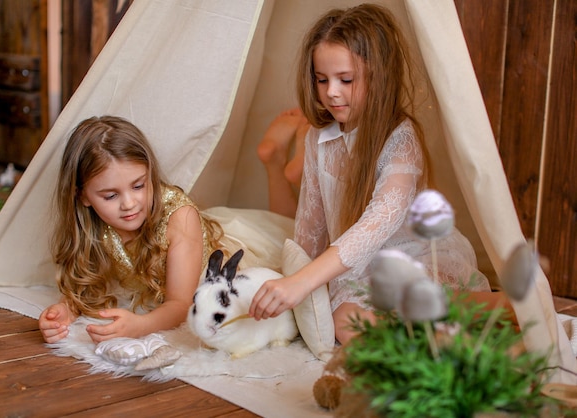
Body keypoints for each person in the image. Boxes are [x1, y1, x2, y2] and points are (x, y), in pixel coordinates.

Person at [249, 4, 495, 344]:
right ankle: (412, 352)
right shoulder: (318, 138)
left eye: (345, 80)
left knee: (431, 302)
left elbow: (376, 224)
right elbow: (312, 227)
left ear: (377, 76)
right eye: (322, 79)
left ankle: (510, 310)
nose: (331, 91)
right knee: (346, 324)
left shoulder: (401, 138)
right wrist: (292, 278)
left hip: (411, 257)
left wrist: (303, 282)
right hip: (359, 269)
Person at [38, 115, 223, 344]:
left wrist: (140, 326)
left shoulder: (180, 217)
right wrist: (66, 309)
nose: (129, 204)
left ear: (150, 175)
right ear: (82, 196)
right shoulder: (93, 224)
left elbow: (181, 304)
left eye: (138, 186)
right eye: (111, 195)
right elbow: (86, 287)